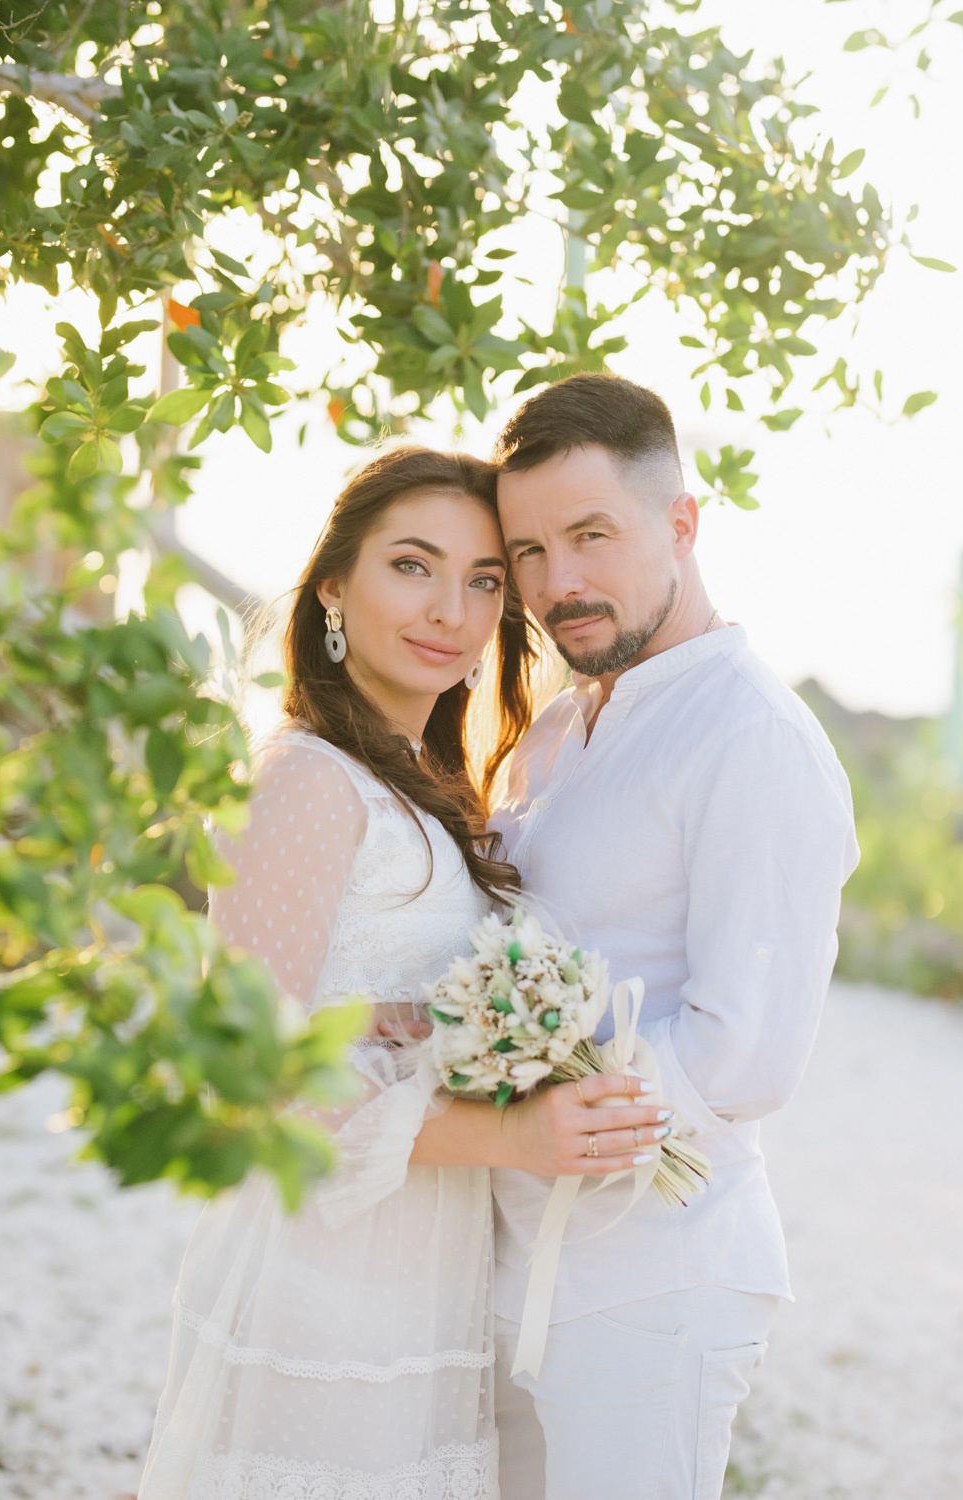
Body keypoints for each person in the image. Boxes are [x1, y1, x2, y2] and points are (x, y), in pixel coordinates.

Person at [140, 442, 669, 1500]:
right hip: (320, 1275)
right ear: (333, 584)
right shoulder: (302, 780)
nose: (449, 611)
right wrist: (510, 1134)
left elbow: (361, 1010)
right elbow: (246, 1082)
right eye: (411, 566)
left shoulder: (432, 793)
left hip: (416, 1266)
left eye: (482, 581)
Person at [484, 373, 860, 1500]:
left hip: (653, 1281)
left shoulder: (752, 739)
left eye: (590, 535)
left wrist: (549, 1113)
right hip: (507, 1260)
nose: (560, 583)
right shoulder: (549, 733)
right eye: (530, 552)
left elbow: (743, 1053)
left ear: (681, 524)